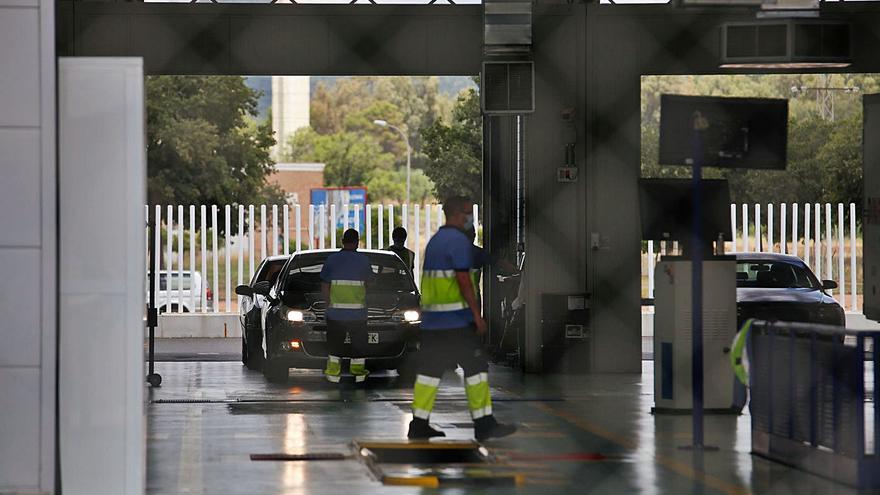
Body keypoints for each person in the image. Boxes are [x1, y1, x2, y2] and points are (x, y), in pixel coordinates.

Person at [407, 196, 517, 441]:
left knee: (429, 373)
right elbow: (463, 280)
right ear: (457, 214)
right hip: (456, 323)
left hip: (433, 324)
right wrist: (477, 316)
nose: (470, 218)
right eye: (468, 213)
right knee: (476, 370)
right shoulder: (457, 242)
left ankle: (419, 424)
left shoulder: (435, 242)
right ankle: (484, 424)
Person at [320, 229, 373, 384]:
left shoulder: (331, 260)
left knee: (335, 346)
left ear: (342, 241)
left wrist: (327, 303)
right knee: (358, 347)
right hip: (358, 315)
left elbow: (324, 285)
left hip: (336, 314)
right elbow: (370, 284)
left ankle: (333, 375)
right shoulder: (363, 261)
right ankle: (359, 375)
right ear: (357, 241)